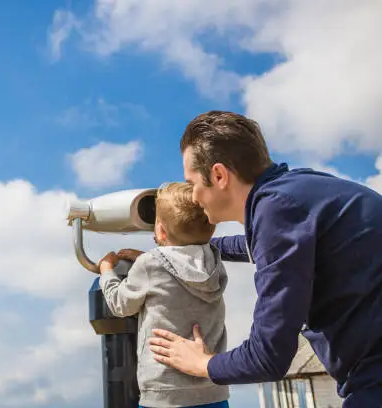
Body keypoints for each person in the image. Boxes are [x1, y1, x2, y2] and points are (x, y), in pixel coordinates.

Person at [143, 111, 382, 407]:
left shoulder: (277, 211)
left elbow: (268, 356)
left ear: (218, 176)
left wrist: (203, 364)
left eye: (192, 183)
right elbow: (256, 246)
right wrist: (186, 251)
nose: (193, 196)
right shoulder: (294, 193)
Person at [97, 182, 230, 408]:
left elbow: (121, 305)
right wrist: (151, 259)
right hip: (212, 391)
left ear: (160, 230)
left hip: (165, 393)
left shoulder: (150, 265)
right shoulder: (214, 263)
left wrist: (106, 272)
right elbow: (181, 265)